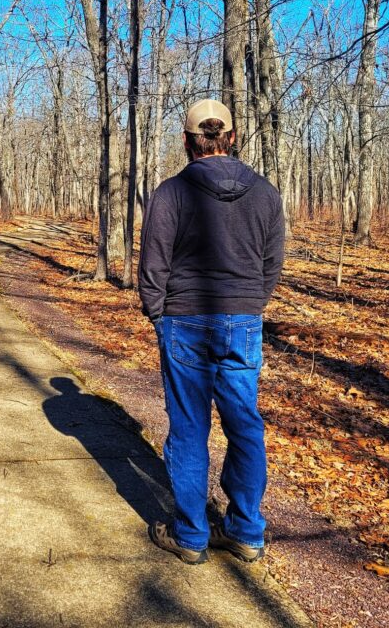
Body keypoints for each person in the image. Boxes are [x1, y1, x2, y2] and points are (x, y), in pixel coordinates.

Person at [138, 98, 285, 565]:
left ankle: (191, 536)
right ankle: (245, 532)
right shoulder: (265, 192)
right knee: (245, 425)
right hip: (241, 321)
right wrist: (249, 305)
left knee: (188, 430)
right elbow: (271, 263)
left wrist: (160, 315)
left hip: (185, 320)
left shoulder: (171, 193)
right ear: (232, 137)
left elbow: (152, 265)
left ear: (187, 141)